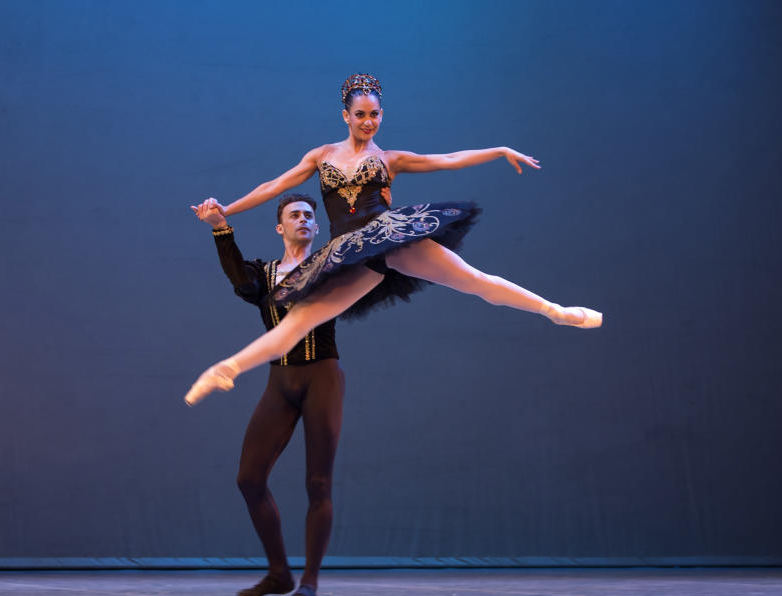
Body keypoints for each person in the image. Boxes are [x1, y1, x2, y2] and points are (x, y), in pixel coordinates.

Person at [185, 73, 602, 406]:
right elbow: (273, 185)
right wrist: (227, 210)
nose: (369, 122)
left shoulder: (389, 159)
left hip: (390, 237)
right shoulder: (321, 156)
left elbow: (449, 159)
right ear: (345, 116)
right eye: (361, 114)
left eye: (375, 115)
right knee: (300, 321)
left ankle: (554, 311)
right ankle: (229, 367)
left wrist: (498, 149)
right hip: (348, 252)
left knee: (474, 281)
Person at [194, 194, 343, 596]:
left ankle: (309, 580)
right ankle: (279, 572)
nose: (303, 219)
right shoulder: (266, 273)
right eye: (294, 215)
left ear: (316, 228)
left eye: (309, 216)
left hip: (322, 376)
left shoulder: (331, 264)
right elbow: (242, 282)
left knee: (318, 482)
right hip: (281, 379)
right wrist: (221, 228)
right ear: (280, 227)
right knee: (249, 479)